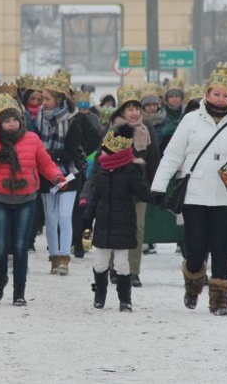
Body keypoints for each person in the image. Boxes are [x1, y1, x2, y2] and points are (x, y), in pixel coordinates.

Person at [150, 63, 227, 316]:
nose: (221, 99)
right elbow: (172, 156)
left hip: (225, 194)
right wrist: (159, 186)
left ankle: (219, 300)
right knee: (195, 246)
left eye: (225, 95)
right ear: (207, 94)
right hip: (195, 192)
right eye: (216, 94)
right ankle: (193, 284)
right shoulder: (190, 120)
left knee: (220, 246)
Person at [0, 94, 63, 306]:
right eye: (6, 121)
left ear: (20, 120)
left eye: (14, 119)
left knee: (21, 246)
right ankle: (0, 280)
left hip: (26, 199)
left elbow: (45, 163)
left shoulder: (31, 139)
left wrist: (56, 176)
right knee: (1, 245)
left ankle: (19, 291)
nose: (11, 124)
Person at [81, 84, 160, 288]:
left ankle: (133, 271)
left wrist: (154, 187)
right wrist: (91, 190)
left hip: (138, 189)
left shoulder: (147, 129)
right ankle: (110, 269)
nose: (134, 113)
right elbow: (100, 161)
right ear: (121, 111)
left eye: (136, 108)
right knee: (110, 228)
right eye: (129, 109)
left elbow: (153, 161)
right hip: (112, 189)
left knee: (137, 229)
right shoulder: (112, 130)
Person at [83, 124, 152, 312]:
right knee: (100, 263)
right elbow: (95, 196)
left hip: (123, 223)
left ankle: (125, 299)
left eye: (105, 151)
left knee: (122, 263)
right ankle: (100, 294)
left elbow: (142, 191)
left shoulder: (131, 171)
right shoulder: (102, 172)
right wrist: (87, 219)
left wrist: (158, 199)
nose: (101, 154)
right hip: (104, 224)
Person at [35, 70, 86, 275]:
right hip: (46, 174)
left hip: (68, 173)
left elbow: (71, 153)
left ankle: (65, 257)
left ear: (58, 99)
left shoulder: (73, 120)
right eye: (42, 98)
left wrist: (48, 154)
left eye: (47, 98)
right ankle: (54, 257)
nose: (43, 102)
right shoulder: (38, 118)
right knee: (50, 217)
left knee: (64, 216)